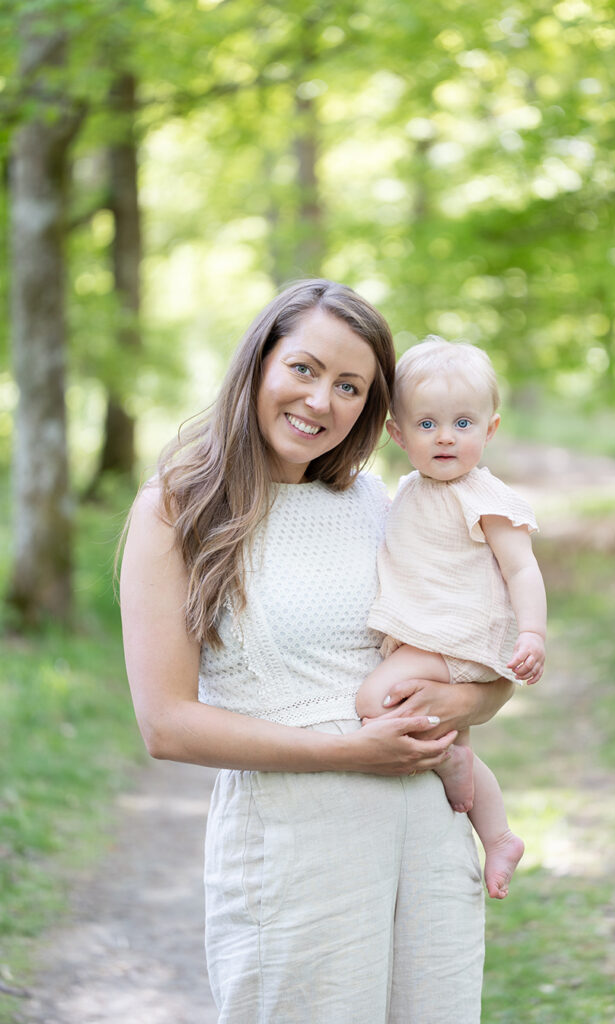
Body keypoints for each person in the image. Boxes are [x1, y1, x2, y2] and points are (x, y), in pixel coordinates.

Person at [119, 280, 515, 1024]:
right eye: (303, 369)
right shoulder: (178, 508)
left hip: (430, 836)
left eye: (349, 386)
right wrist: (355, 753)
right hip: (295, 845)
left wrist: (468, 702)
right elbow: (165, 726)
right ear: (259, 364)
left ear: (371, 408)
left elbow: (477, 658)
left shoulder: (380, 504)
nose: (320, 400)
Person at [357, 336, 547, 901]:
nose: (445, 437)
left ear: (489, 430)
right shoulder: (409, 489)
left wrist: (533, 631)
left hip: (460, 635)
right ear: (398, 434)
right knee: (457, 739)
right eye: (428, 424)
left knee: (376, 701)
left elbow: (522, 570)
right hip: (428, 633)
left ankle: (447, 766)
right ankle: (499, 837)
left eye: (463, 423)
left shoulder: (485, 497)